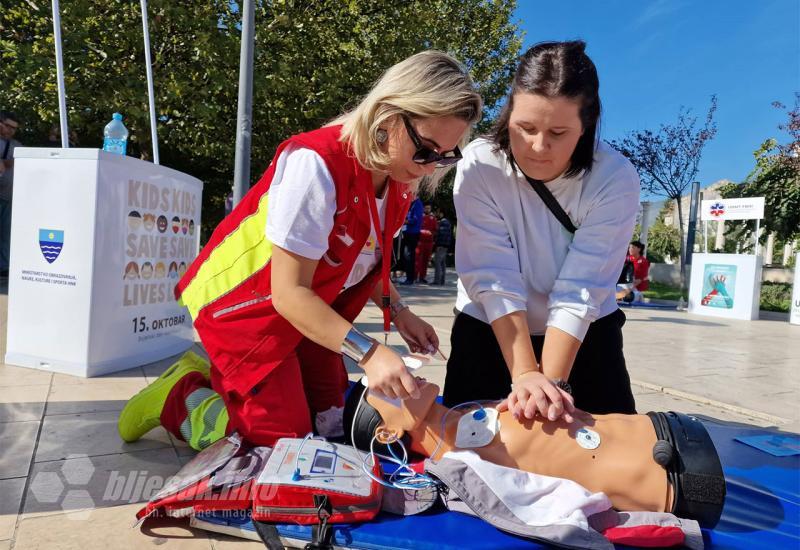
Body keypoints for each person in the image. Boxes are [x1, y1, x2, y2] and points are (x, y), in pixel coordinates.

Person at [118, 51, 483, 451]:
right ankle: (180, 396)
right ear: (389, 115)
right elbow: (288, 292)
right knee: (278, 448)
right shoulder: (316, 163)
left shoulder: (399, 180)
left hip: (309, 314)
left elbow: (360, 260)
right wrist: (369, 353)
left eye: (445, 156)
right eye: (426, 150)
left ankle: (233, 390)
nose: (431, 167)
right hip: (246, 314)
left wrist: (399, 311)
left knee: (330, 423)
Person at [443, 41, 640, 420]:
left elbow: (581, 289)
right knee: (468, 449)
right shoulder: (480, 165)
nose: (538, 146)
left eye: (559, 132)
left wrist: (549, 387)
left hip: (584, 335)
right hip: (488, 327)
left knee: (601, 447)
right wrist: (524, 373)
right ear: (509, 112)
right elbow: (492, 274)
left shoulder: (614, 177)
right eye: (525, 127)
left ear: (586, 126)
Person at [344, 379, 725, 528]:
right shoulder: (463, 465)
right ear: (387, 432)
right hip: (679, 478)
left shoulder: (464, 417)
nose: (402, 379)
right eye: (387, 393)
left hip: (668, 428)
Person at [0, 111, 21, 278]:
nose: (10, 131)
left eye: (14, 128)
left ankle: (4, 268)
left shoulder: (17, 146)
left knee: (6, 235)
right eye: (8, 126)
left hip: (9, 197)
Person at [401, 197, 423, 284]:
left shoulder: (417, 204)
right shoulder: (413, 203)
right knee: (407, 255)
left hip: (412, 233)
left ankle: (410, 278)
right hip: (408, 232)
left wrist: (404, 221)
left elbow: (415, 219)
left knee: (409, 256)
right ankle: (409, 277)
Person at [414, 203, 438, 283]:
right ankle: (415, 276)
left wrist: (431, 234)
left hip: (429, 242)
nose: (427, 209)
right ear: (424, 209)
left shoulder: (433, 218)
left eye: (429, 208)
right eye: (426, 208)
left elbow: (435, 230)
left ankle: (422, 277)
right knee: (417, 260)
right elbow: (416, 228)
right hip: (420, 241)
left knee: (425, 260)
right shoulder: (420, 217)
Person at [432, 209, 453, 285]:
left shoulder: (443, 223)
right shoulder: (447, 222)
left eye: (438, 213)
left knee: (437, 262)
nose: (437, 214)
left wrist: (438, 245)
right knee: (442, 263)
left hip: (441, 245)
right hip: (445, 246)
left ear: (442, 213)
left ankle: (437, 281)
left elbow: (442, 235)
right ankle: (441, 280)